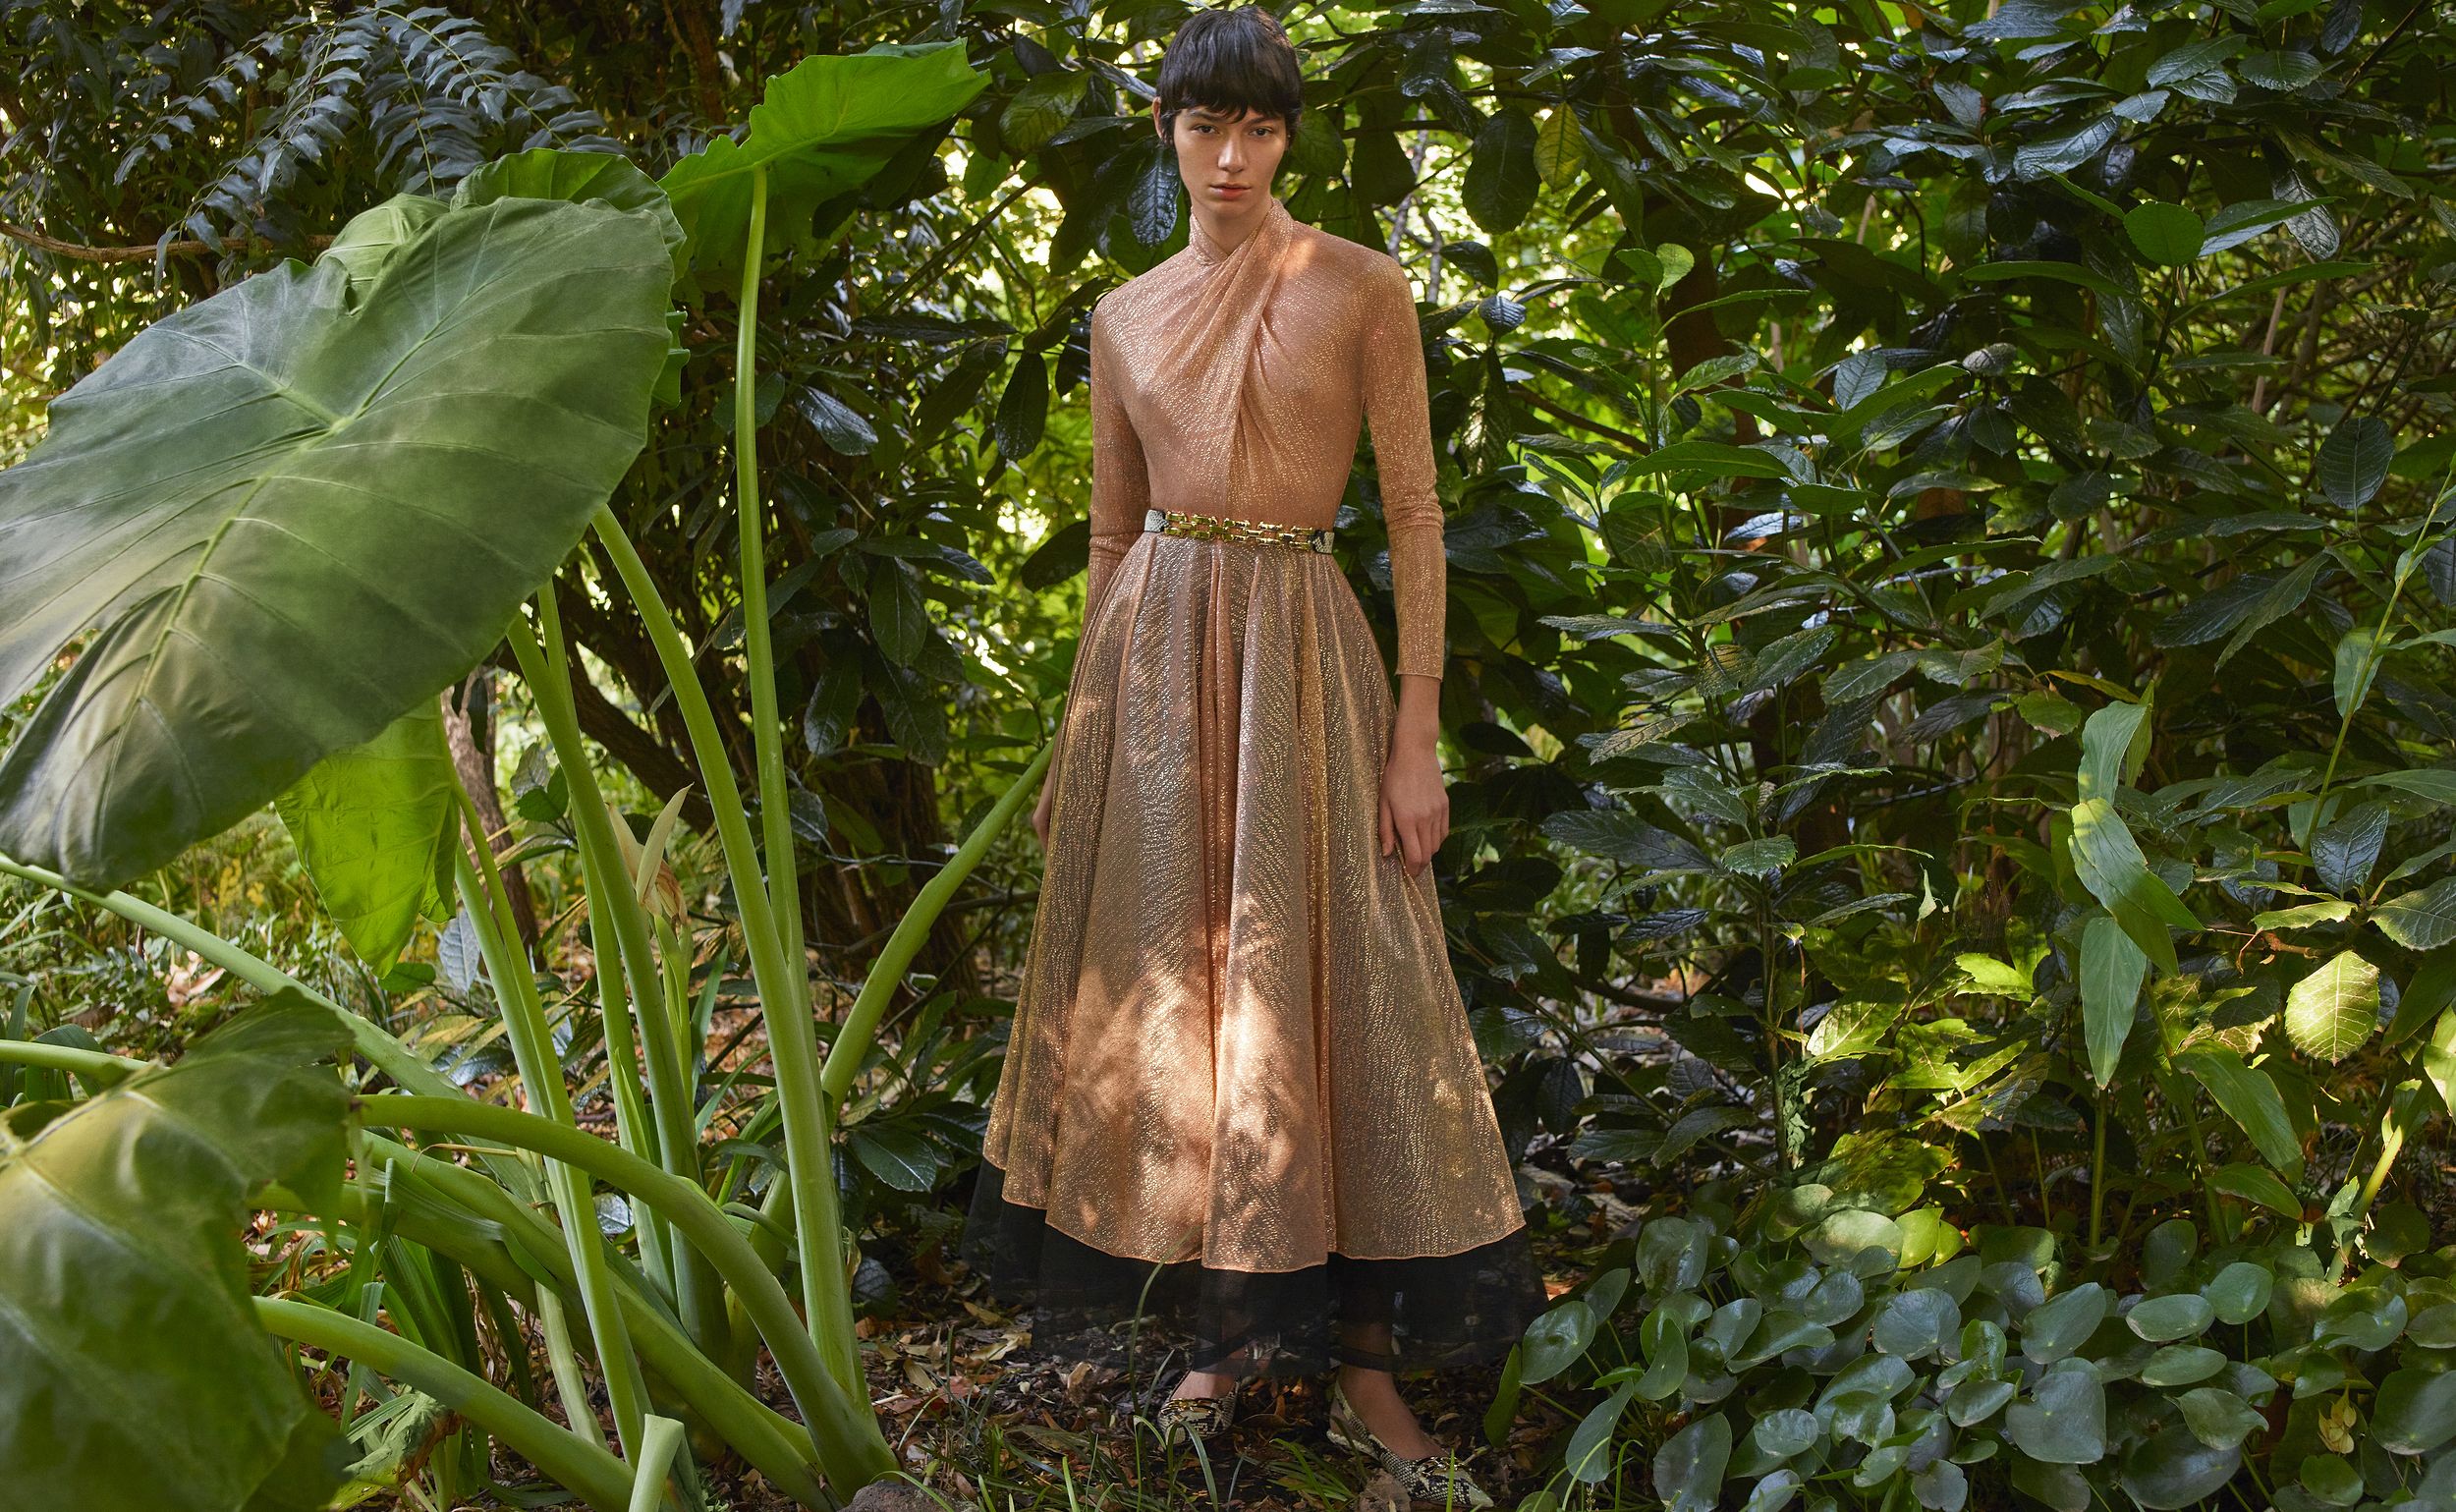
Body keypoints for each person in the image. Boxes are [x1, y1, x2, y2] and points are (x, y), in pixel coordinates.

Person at [957, 7, 1546, 1504]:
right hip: (1154, 664)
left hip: (1302, 657)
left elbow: (1414, 521)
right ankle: (1223, 1342)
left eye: (1260, 129)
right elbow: (1106, 534)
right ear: (1164, 129)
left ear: (1291, 136)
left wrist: (1419, 738)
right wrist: (1083, 739)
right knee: (1191, 993)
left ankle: (1363, 1372)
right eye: (1204, 126)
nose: (1230, 158)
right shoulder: (1124, 315)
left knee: (1328, 993)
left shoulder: (1361, 287)